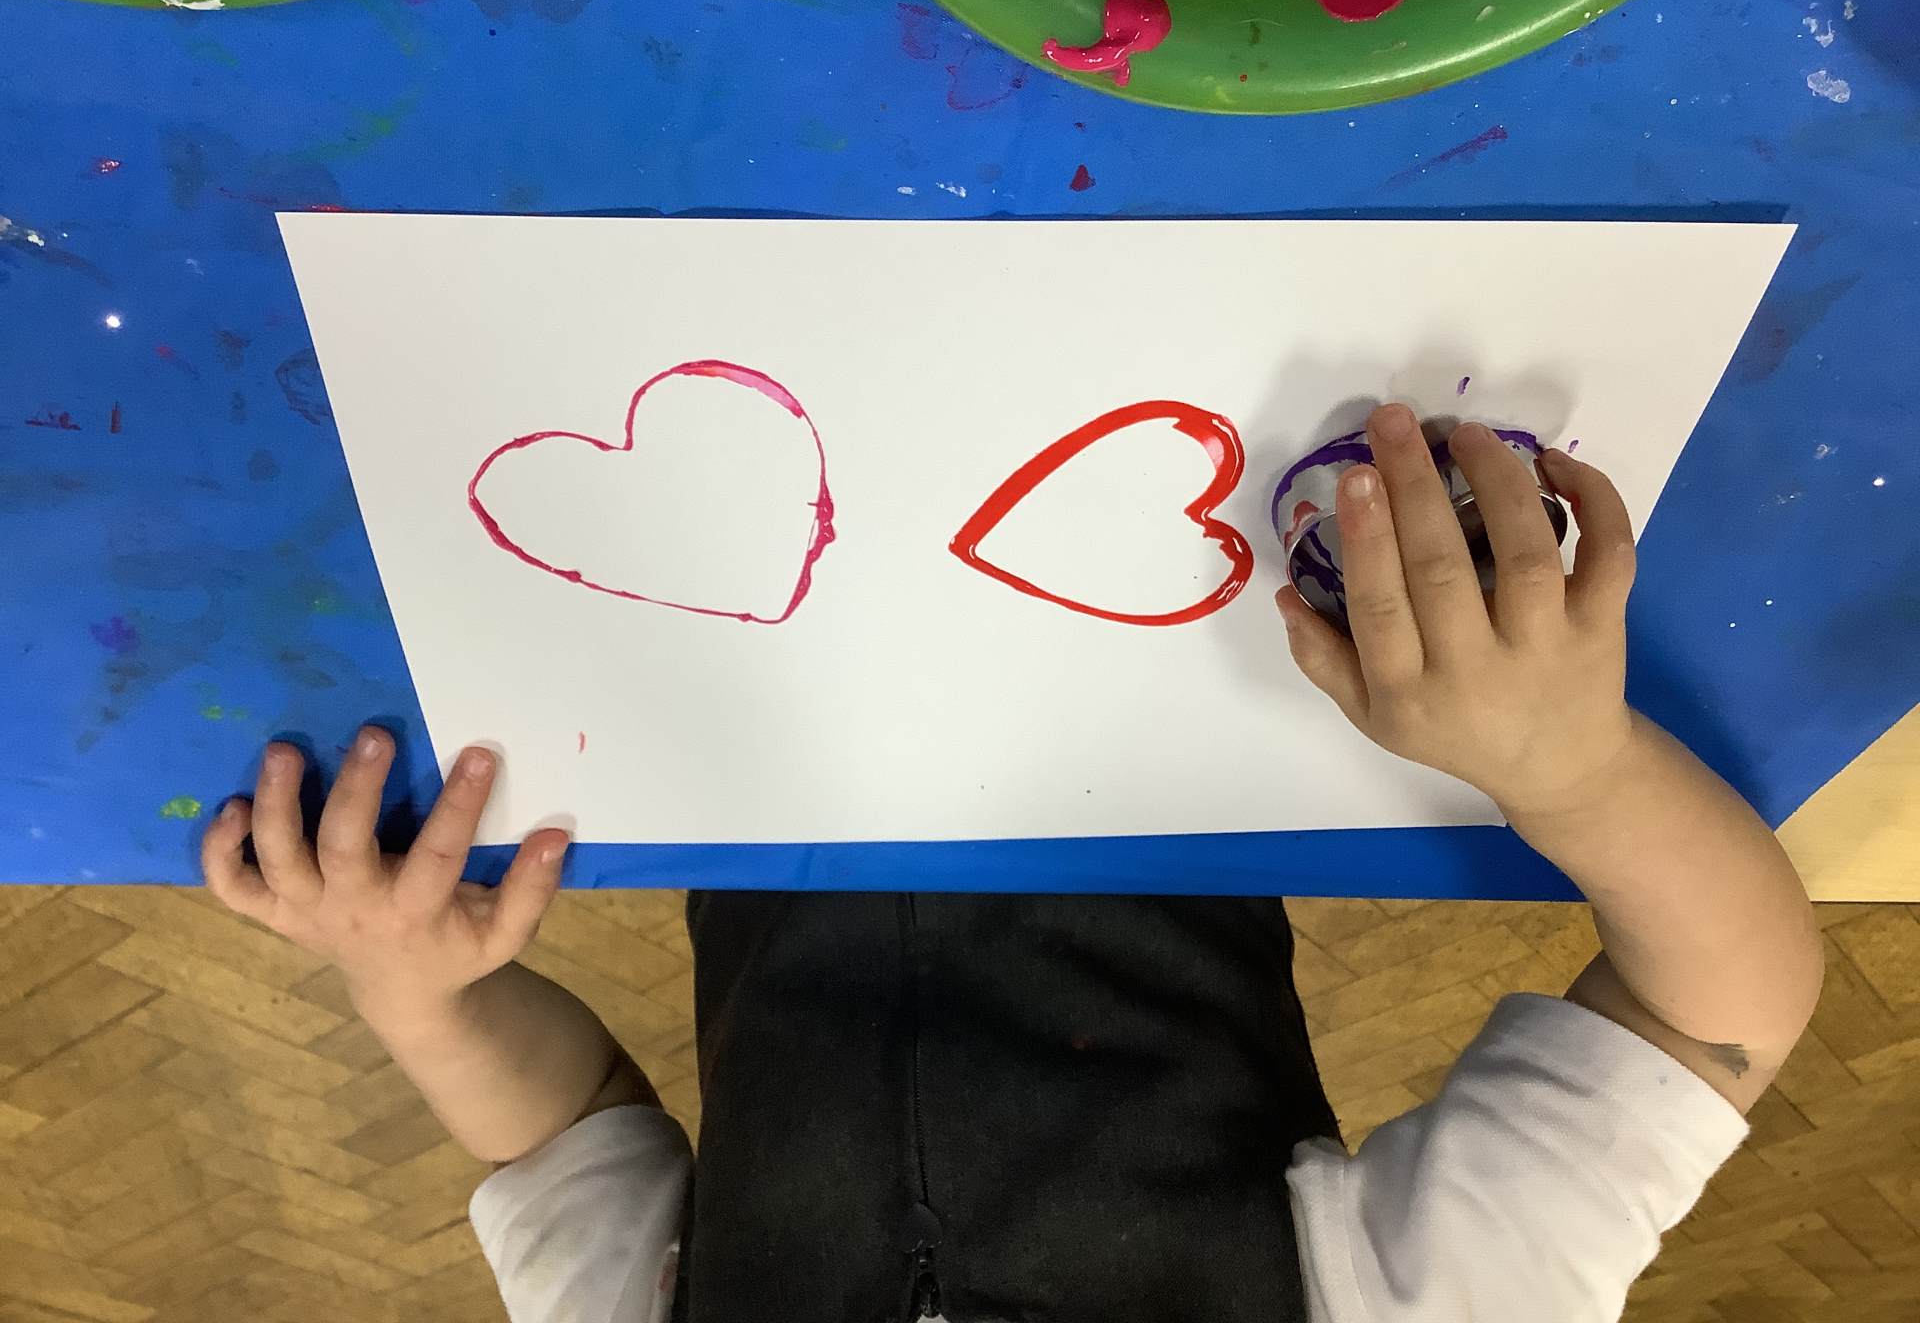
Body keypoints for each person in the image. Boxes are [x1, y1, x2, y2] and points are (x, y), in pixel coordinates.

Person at [200, 403, 1824, 1322]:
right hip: (1155, 645)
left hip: (758, 654)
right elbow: (1720, 1013)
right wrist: (1573, 770)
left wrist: (425, 1000)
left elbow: (567, 1137)